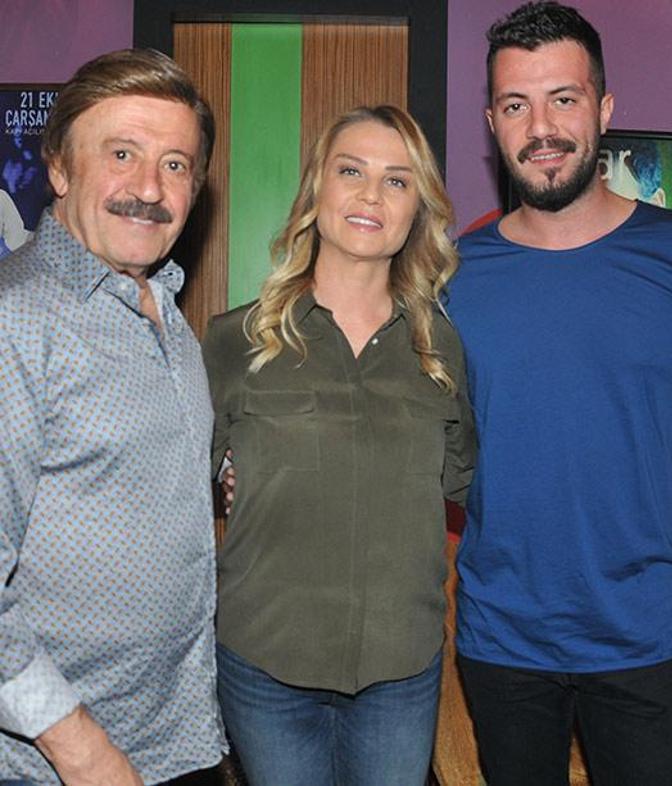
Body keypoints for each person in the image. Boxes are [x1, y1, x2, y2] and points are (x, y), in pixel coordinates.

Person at [446, 3, 672, 784]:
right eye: (516, 105)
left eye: (564, 98)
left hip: (643, 638)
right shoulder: (452, 276)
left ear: (604, 108)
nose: (541, 127)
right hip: (501, 642)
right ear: (492, 123)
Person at [202, 105, 475, 786]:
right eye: (351, 171)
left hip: (398, 665)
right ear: (316, 189)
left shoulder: (440, 348)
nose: (370, 195)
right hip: (265, 660)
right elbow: (175, 495)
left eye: (397, 180)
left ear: (417, 209)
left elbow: (467, 480)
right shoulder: (235, 340)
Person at [0, 49, 225, 785]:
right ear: (60, 169)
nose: (149, 189)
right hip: (59, 762)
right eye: (122, 154)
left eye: (174, 165)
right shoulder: (14, 319)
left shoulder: (167, 313)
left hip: (180, 736)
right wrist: (82, 749)